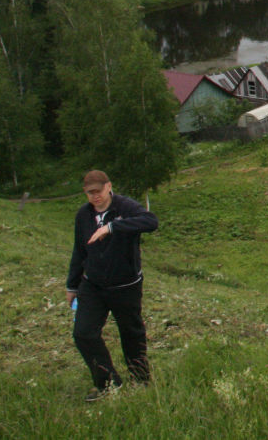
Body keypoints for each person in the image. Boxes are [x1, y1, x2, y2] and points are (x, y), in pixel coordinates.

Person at [66, 170, 158, 402]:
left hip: (126, 285)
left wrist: (112, 228)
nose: (95, 196)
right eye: (90, 193)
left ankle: (140, 380)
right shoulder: (83, 215)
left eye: (98, 191)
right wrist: (72, 285)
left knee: (131, 334)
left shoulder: (124, 207)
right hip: (93, 286)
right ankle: (108, 383)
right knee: (83, 333)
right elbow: (79, 250)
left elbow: (151, 221)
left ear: (109, 187)